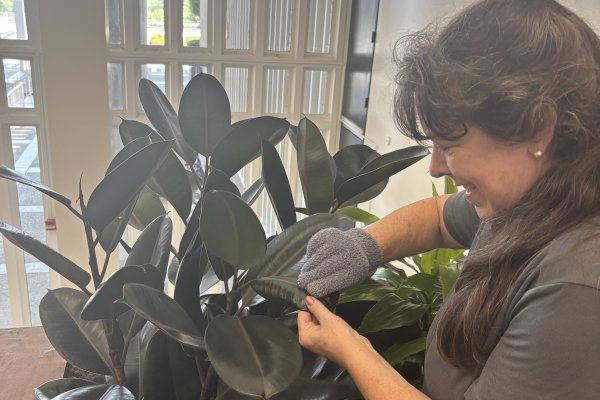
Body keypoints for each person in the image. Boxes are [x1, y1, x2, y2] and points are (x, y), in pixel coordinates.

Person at [296, 0, 600, 399]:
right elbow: (440, 218)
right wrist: (365, 246)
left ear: (538, 130)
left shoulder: (577, 285)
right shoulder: (532, 199)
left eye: (449, 144)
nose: (436, 168)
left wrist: (353, 352)